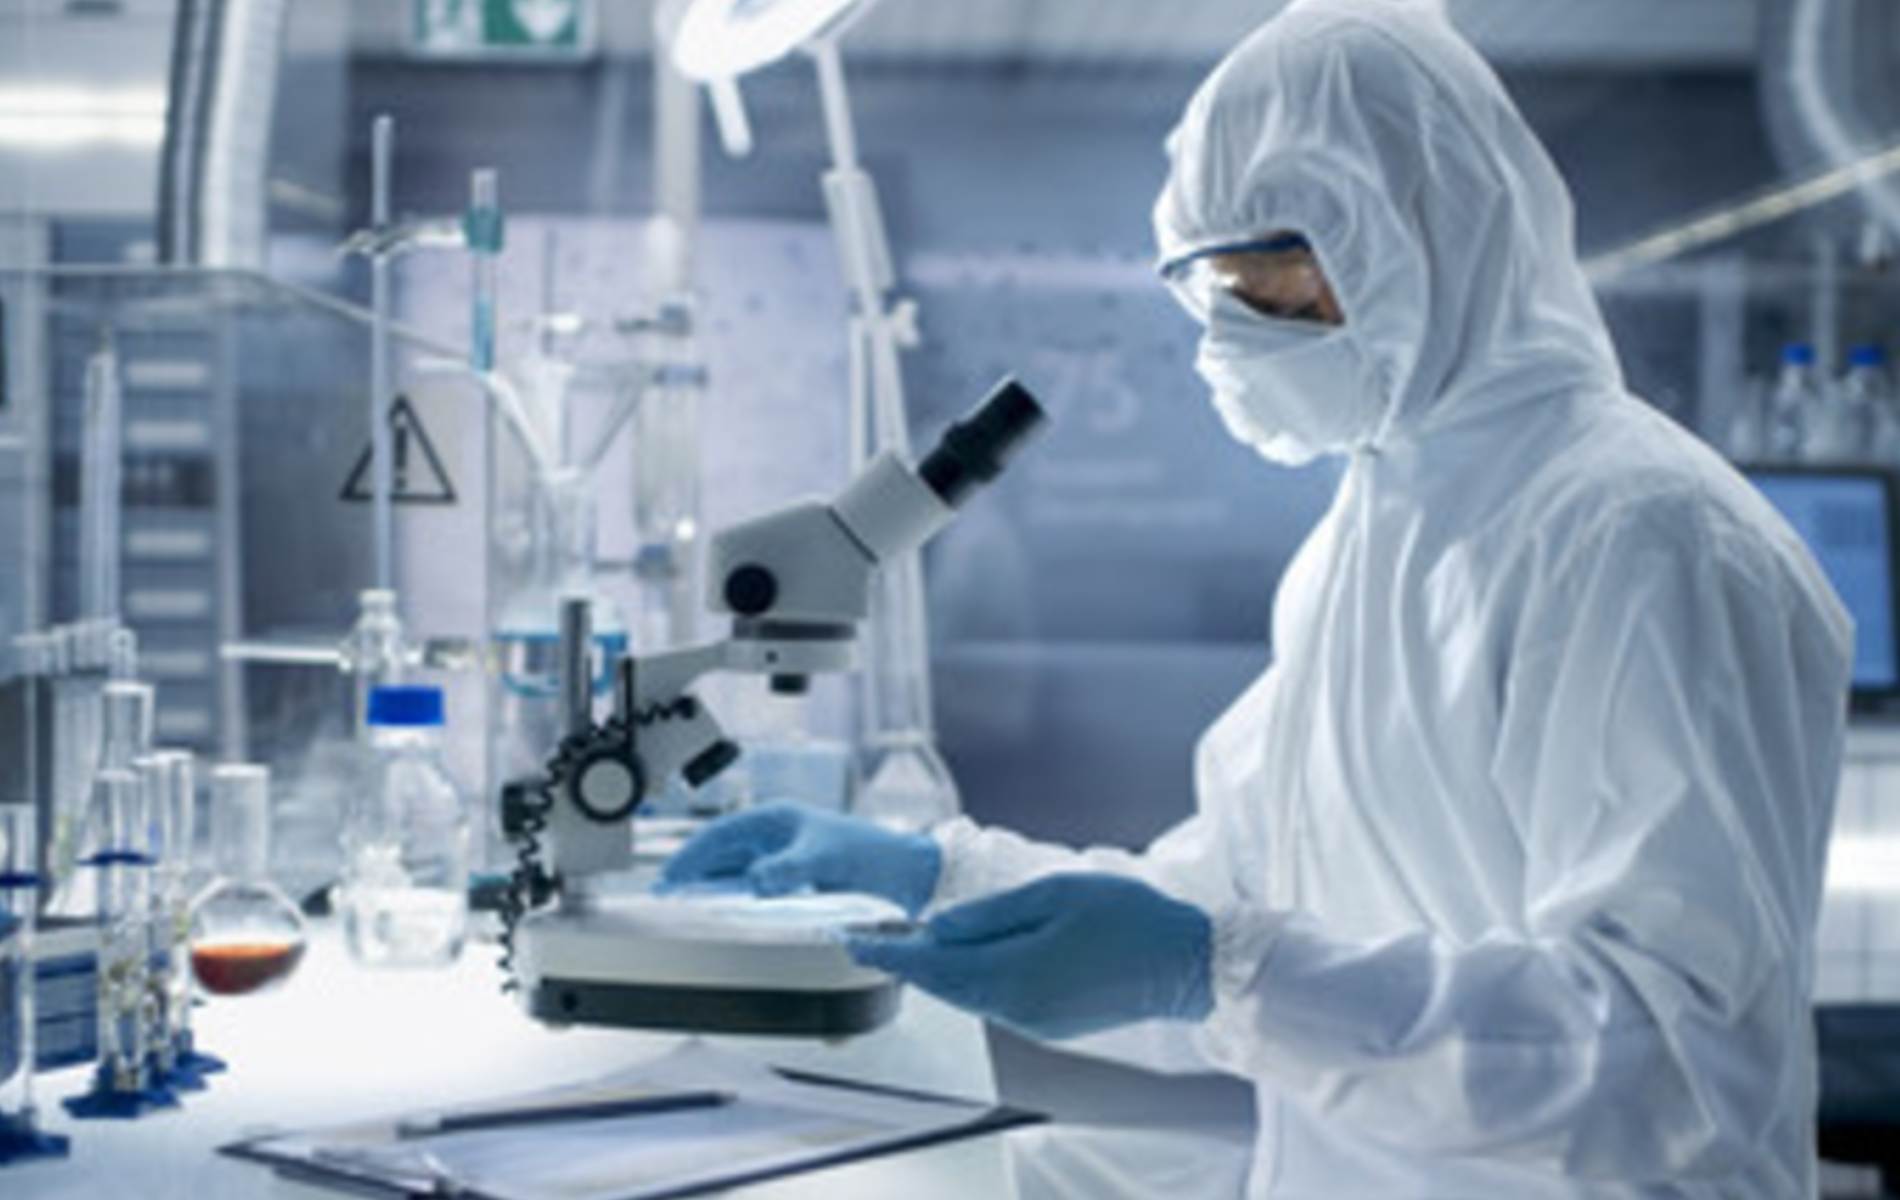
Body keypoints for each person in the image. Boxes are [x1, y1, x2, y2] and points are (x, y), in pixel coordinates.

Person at [662, 0, 1854, 1194]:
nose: (1239, 336)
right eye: (1217, 292)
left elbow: (1661, 1060)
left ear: (1432, 236)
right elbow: (1233, 907)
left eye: (1278, 289)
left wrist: (1213, 972)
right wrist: (936, 875)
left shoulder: (1643, 538)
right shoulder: (1366, 537)